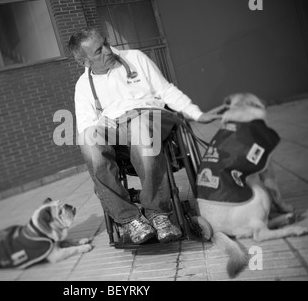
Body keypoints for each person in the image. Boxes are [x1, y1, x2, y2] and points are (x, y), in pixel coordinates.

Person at [68, 27, 224, 244]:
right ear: (85, 62)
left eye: (105, 43)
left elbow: (166, 91)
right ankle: (130, 220)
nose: (108, 50)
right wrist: (99, 127)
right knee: (87, 139)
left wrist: (197, 114)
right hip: (116, 130)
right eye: (98, 51)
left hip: (150, 116)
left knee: (139, 125)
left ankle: (158, 214)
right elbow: (86, 124)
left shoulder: (135, 58)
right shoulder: (83, 85)